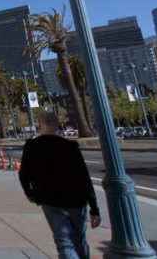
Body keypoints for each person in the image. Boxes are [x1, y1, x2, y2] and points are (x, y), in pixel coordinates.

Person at [19, 110, 101, 259]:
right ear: (57, 124)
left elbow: (24, 174)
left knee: (65, 244)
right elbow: (84, 178)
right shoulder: (70, 146)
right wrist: (94, 208)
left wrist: (30, 193)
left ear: (40, 124)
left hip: (51, 201)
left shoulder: (33, 146)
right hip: (77, 201)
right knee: (80, 241)